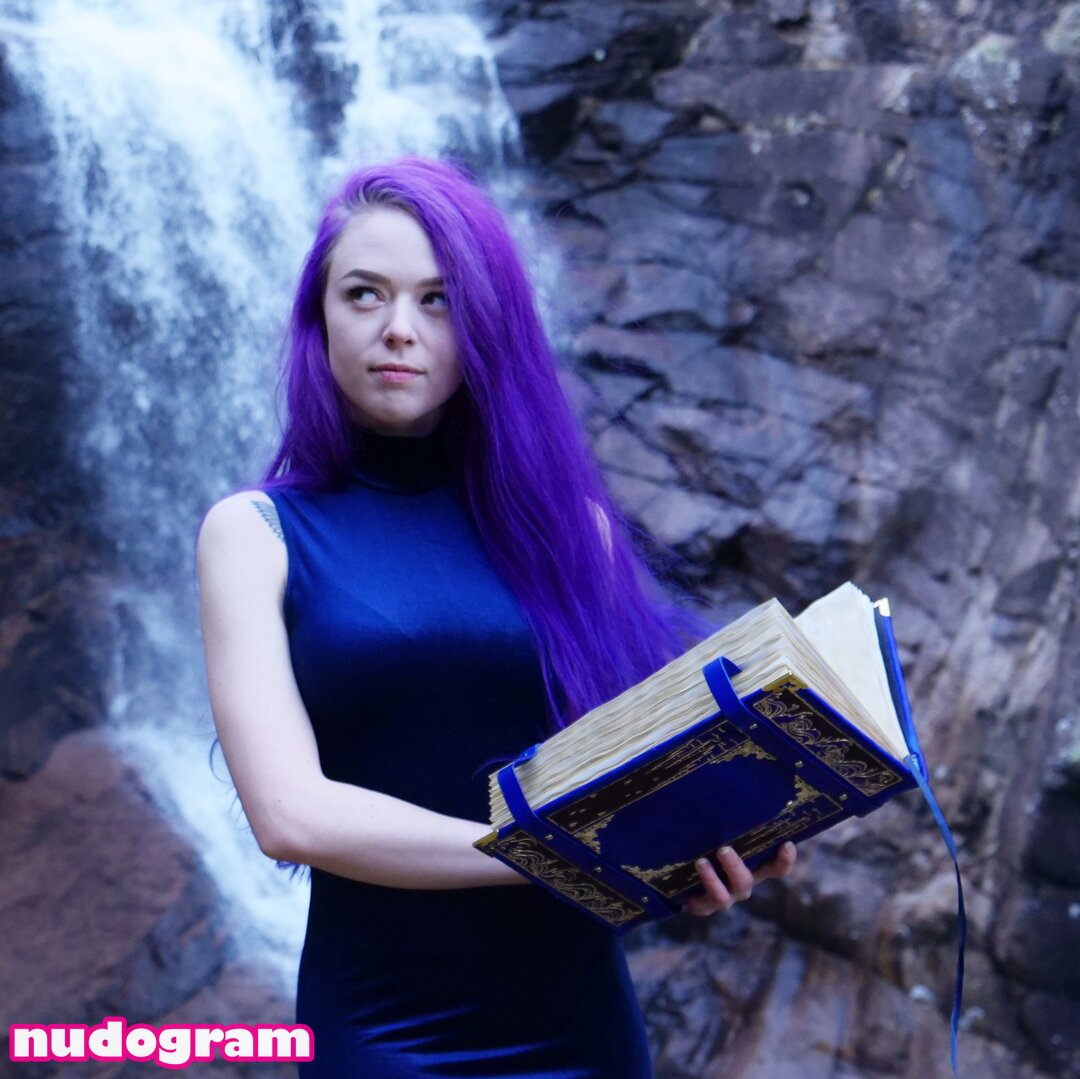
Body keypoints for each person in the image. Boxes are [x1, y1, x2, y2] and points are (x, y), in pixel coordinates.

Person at [196, 157, 796, 1077]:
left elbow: (628, 775)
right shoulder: (255, 533)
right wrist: (553, 856)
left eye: (439, 300)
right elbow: (290, 815)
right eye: (365, 293)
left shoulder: (573, 530)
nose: (400, 329)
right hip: (387, 1030)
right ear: (319, 315)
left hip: (584, 1024)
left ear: (487, 323)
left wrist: (697, 850)